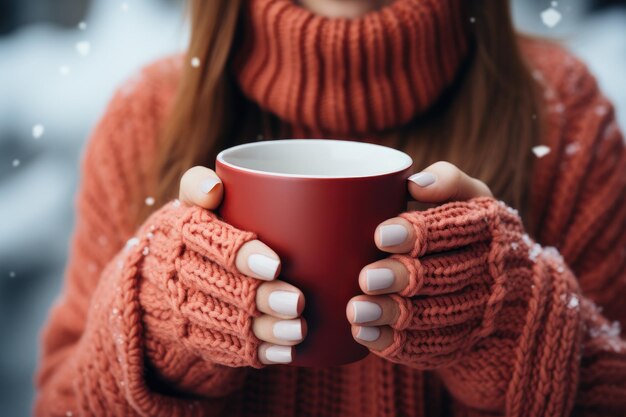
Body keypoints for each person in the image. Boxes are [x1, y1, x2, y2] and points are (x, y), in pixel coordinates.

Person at [34, 0, 626, 415]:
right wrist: (153, 328)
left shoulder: (561, 110)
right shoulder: (148, 117)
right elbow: (59, 404)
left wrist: (519, 319)